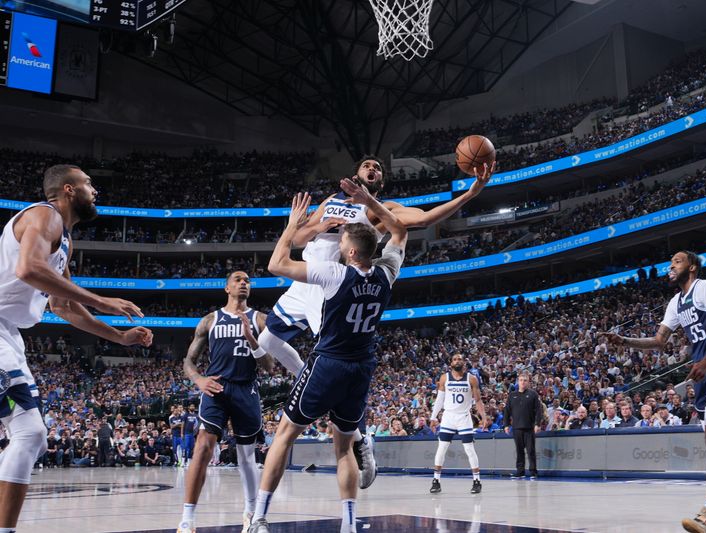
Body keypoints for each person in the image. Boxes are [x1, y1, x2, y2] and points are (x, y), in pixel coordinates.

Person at [254, 156, 494, 489]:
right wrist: (317, 226)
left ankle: (360, 438)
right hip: (303, 281)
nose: (372, 168)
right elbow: (296, 240)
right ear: (355, 172)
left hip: (329, 288)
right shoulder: (330, 202)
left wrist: (470, 194)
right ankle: (317, 393)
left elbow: (424, 218)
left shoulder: (379, 209)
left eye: (378, 168)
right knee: (264, 343)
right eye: (368, 164)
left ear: (380, 182)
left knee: (331, 360)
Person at [247, 180, 407, 533]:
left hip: (328, 361)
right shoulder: (386, 274)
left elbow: (276, 264)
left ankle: (258, 518)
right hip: (362, 367)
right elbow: (399, 231)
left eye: (344, 243)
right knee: (343, 448)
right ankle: (348, 525)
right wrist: (371, 202)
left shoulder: (335, 275)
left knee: (285, 434)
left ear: (350, 252)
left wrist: (292, 225)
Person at [0, 164, 152, 532]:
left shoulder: (64, 238)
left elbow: (63, 306)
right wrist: (101, 300)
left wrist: (118, 337)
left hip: (8, 336)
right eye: (88, 184)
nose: (94, 190)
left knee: (32, 440)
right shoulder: (44, 215)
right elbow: (28, 269)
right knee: (29, 433)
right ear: (69, 190)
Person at [605, 250, 706, 533]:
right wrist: (624, 341)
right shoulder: (676, 302)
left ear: (692, 267)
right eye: (669, 263)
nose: (670, 266)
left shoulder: (704, 288)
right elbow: (659, 341)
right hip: (704, 371)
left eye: (677, 262)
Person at [177, 272, 274, 533]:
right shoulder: (210, 320)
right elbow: (188, 361)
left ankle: (251, 514)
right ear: (227, 287)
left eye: (247, 281)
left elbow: (270, 365)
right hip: (216, 388)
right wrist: (198, 380)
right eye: (238, 279)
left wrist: (253, 340)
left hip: (246, 388)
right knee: (203, 448)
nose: (244, 282)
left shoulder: (260, 320)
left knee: (246, 456)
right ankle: (187, 519)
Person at [429, 353, 487, 494]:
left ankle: (477, 481)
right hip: (448, 416)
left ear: (464, 363)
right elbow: (439, 400)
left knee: (469, 450)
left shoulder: (471, 379)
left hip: (464, 417)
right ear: (451, 364)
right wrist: (433, 417)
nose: (457, 361)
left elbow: (478, 400)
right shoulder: (444, 378)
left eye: (460, 358)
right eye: (454, 359)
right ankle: (436, 481)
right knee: (441, 448)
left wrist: (483, 417)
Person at [503, 373, 542, 479]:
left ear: (528, 382)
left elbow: (539, 410)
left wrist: (537, 424)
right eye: (521, 380)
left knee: (530, 451)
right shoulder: (512, 395)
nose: (523, 382)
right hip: (516, 428)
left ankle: (533, 472)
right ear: (518, 381)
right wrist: (506, 425)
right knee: (519, 451)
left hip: (529, 427)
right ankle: (520, 472)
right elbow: (507, 411)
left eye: (525, 380)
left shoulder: (533, 394)